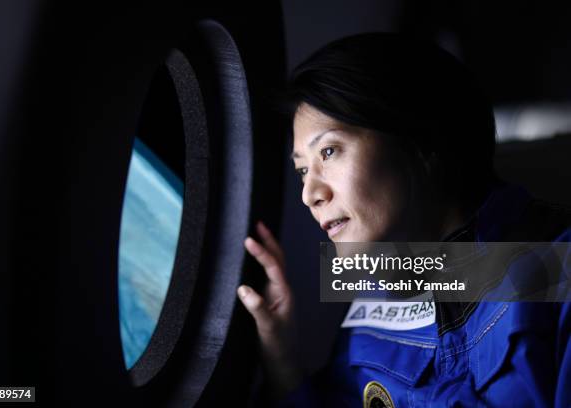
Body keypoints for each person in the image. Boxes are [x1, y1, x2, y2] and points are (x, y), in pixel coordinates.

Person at [236, 33, 571, 407]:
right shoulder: (374, 297)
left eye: (329, 152)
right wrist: (281, 357)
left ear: (421, 141)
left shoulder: (558, 276)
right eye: (302, 171)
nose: (309, 193)